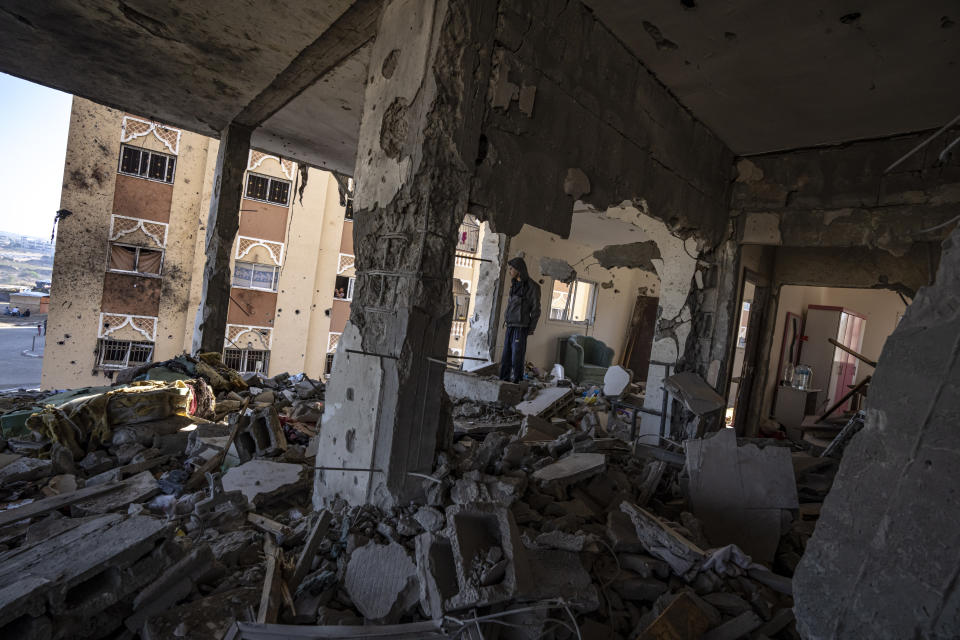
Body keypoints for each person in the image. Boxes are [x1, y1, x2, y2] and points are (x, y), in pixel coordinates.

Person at [499, 257, 540, 383]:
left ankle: (517, 382)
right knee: (506, 354)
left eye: (511, 268)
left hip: (521, 327)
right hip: (510, 324)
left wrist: (532, 328)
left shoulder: (532, 287)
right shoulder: (514, 284)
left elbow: (536, 309)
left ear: (519, 269)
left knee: (517, 356)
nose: (509, 271)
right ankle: (503, 380)